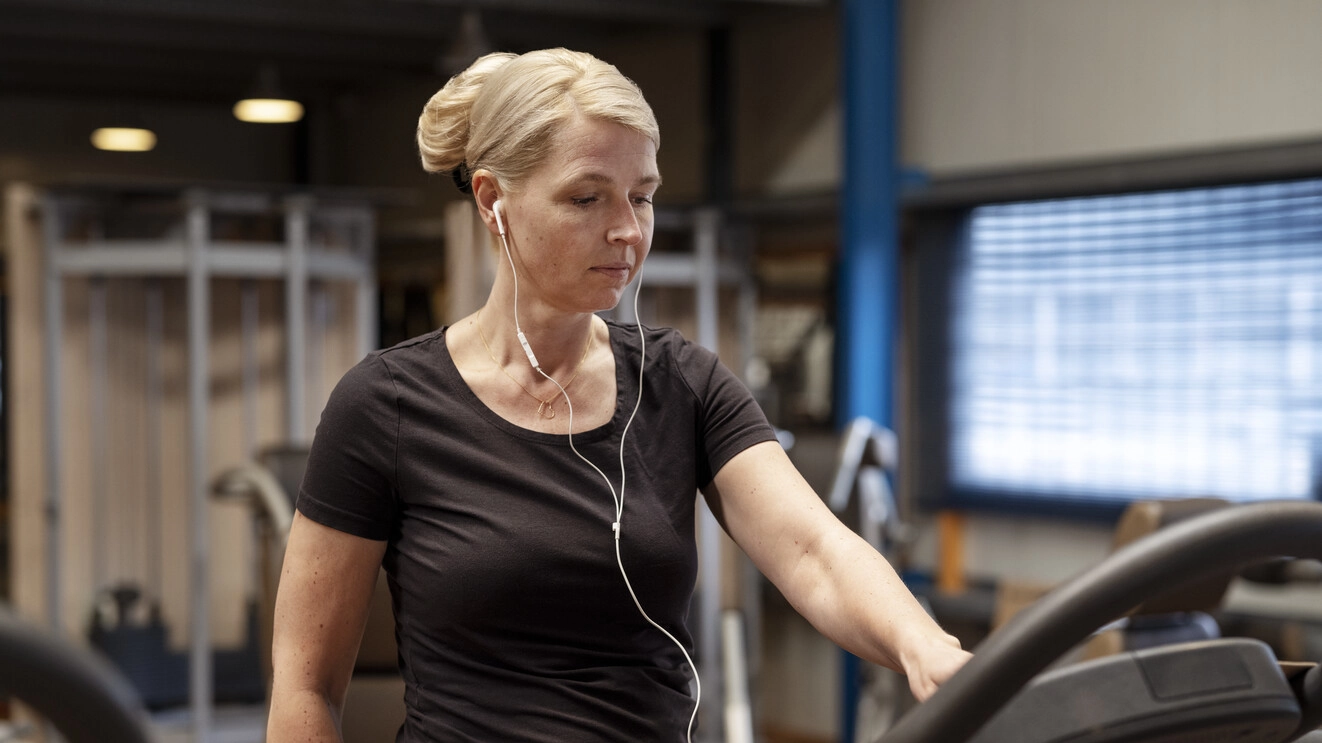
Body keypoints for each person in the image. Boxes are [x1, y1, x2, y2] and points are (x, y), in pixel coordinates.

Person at [267, 47, 970, 743]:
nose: (628, 231)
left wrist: (923, 643)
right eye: (587, 197)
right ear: (492, 201)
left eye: (642, 197)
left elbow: (814, 551)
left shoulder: (683, 384)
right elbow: (306, 685)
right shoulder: (384, 405)